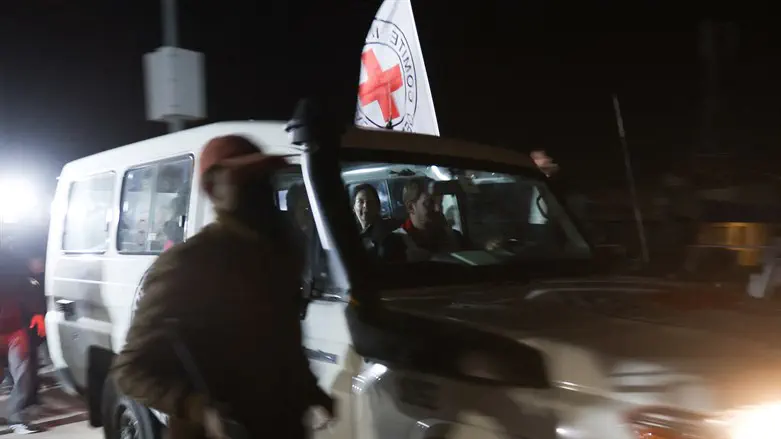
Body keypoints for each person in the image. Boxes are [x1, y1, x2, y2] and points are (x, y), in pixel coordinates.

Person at [110, 135, 333, 439]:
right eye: (246, 179)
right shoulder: (188, 265)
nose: (261, 190)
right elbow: (130, 370)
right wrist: (199, 409)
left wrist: (311, 391)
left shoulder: (277, 258)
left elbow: (285, 343)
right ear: (214, 189)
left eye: (264, 178)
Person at [0, 248, 46, 434]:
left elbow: (27, 288)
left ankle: (16, 418)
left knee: (22, 375)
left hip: (15, 330)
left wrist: (37, 314)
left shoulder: (10, 264)